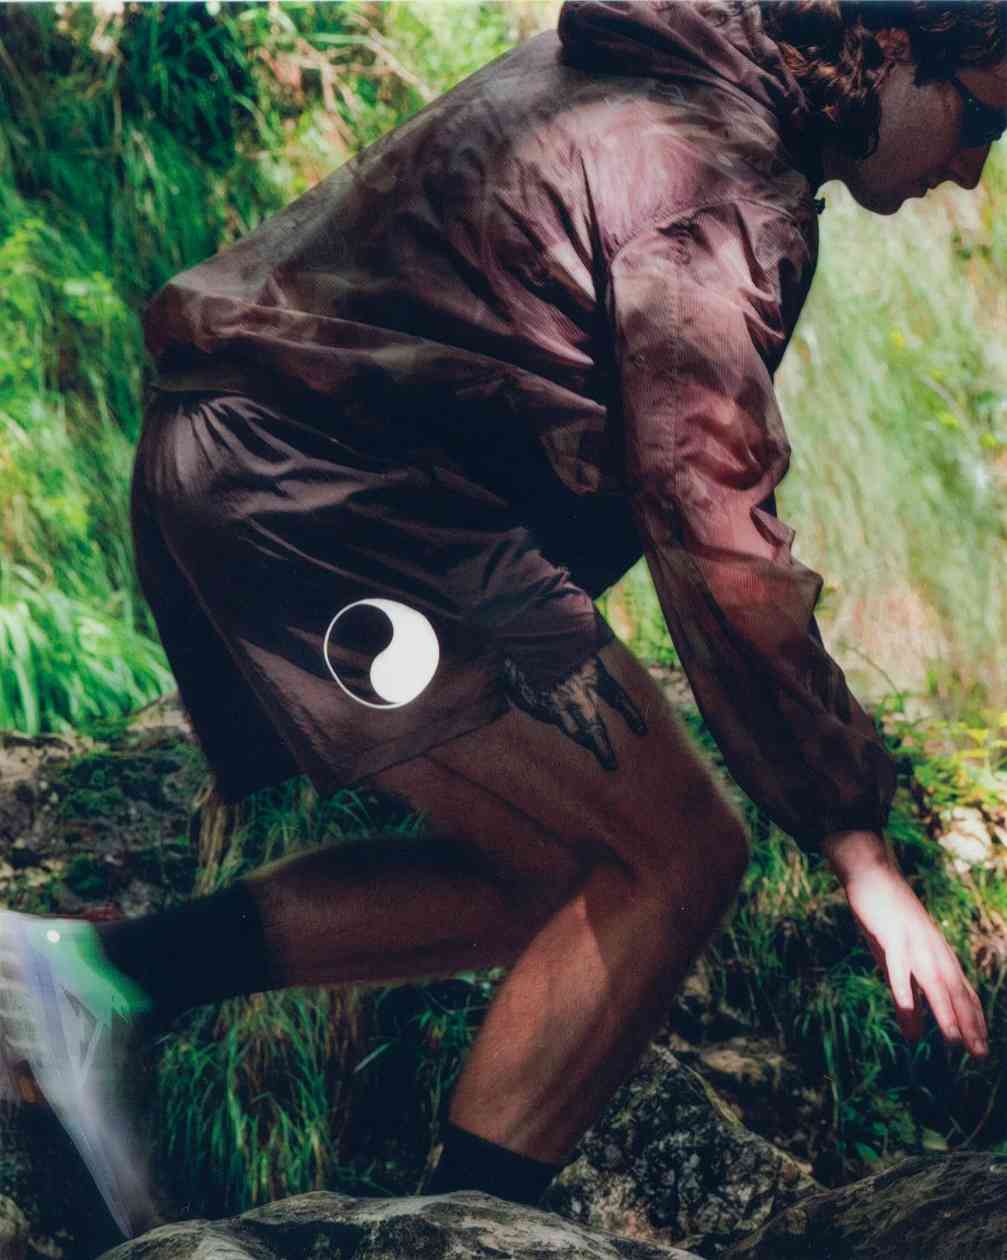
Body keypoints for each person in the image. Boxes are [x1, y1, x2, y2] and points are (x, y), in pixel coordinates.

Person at [0, 0, 1002, 1240]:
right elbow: (707, 510)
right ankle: (459, 1236)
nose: (972, 169)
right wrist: (856, 843)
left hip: (309, 481)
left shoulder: (673, 81)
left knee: (550, 867)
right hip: (327, 504)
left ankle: (90, 979)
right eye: (981, 119)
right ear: (891, 49)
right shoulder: (712, 176)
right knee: (675, 855)